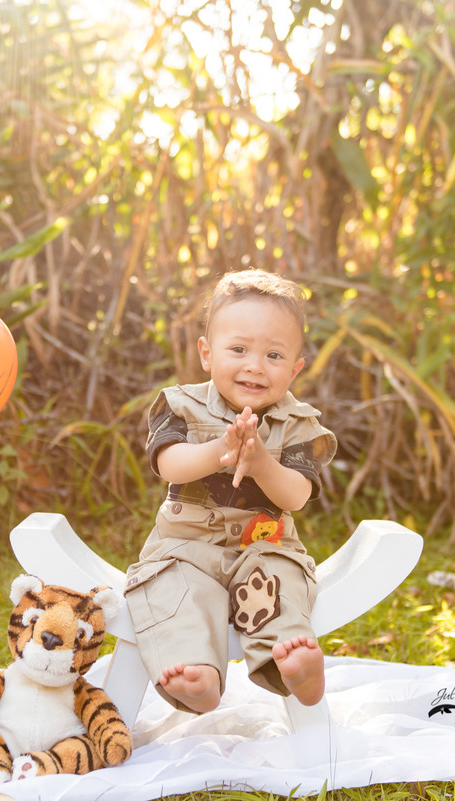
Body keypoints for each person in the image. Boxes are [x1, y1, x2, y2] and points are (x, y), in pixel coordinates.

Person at [124, 268, 337, 714]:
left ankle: (293, 663)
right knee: (173, 588)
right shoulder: (178, 404)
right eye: (238, 349)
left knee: (276, 582)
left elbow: (296, 495)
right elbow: (169, 464)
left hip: (262, 549)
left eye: (274, 355)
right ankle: (197, 675)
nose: (255, 366)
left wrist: (260, 463)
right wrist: (221, 450)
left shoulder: (300, 425)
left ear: (295, 368)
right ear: (207, 352)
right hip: (184, 549)